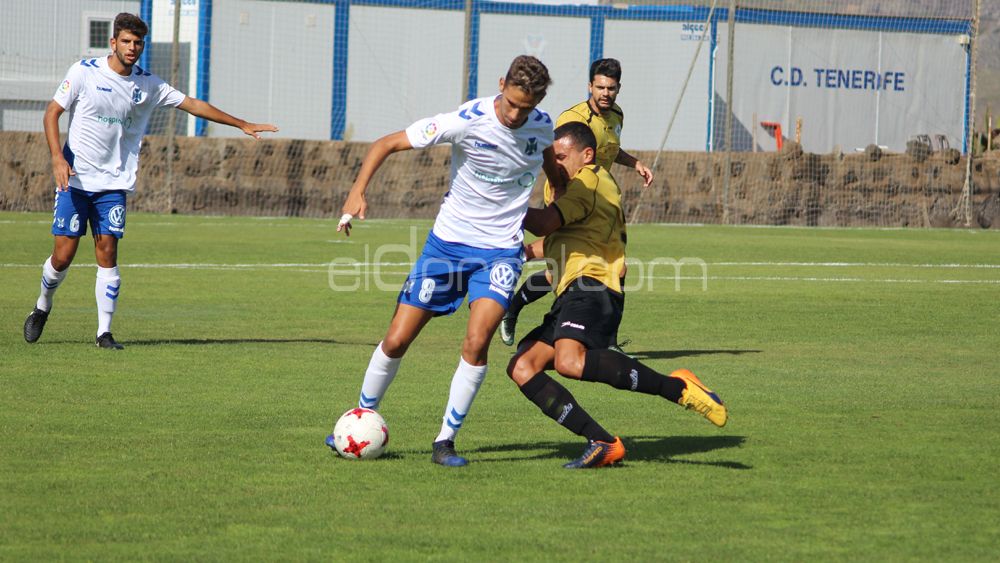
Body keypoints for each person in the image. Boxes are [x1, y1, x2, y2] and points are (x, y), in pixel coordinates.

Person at [327, 56, 556, 467]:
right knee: (397, 339)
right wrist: (356, 192)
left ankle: (445, 442)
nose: (514, 115)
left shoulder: (542, 127)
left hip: (501, 251)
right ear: (501, 84)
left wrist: (562, 215)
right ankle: (360, 418)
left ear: (537, 101)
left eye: (525, 107)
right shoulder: (466, 121)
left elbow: (558, 173)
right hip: (447, 247)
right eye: (510, 103)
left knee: (477, 341)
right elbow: (385, 144)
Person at [22, 12, 278, 350]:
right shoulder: (83, 72)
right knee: (63, 256)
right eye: (126, 41)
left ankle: (104, 333)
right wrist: (57, 157)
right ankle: (42, 305)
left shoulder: (148, 84)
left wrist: (241, 123)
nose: (132, 47)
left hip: (113, 183)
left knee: (107, 251)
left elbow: (193, 104)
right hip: (75, 179)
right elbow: (52, 113)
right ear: (113, 42)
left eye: (138, 42)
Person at [508, 121, 726, 469]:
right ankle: (602, 442)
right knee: (523, 366)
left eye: (561, 157)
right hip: (570, 290)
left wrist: (498, 204)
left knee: (569, 362)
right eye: (552, 158)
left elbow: (545, 223)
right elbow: (556, 239)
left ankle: (679, 388)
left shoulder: (590, 180)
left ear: (587, 155)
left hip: (594, 285)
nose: (555, 164)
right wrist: (520, 254)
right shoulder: (568, 188)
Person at [500, 58, 652, 350]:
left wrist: (635, 163)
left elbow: (610, 149)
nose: (605, 93)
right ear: (590, 86)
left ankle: (606, 341)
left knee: (615, 266)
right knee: (561, 266)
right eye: (600, 87)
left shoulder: (617, 115)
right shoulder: (574, 118)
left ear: (618, 88)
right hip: (569, 192)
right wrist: (558, 193)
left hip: (600, 197)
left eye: (611, 88)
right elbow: (556, 156)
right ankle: (523, 308)